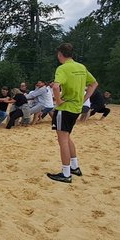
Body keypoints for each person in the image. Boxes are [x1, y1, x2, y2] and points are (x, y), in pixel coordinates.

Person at [46, 43, 98, 183]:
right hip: (76, 108)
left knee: (62, 140)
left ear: (60, 54)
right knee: (67, 137)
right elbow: (94, 84)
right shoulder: (81, 67)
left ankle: (66, 173)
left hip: (65, 109)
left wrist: (58, 101)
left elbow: (56, 86)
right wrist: (84, 98)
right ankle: (74, 167)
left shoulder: (62, 68)